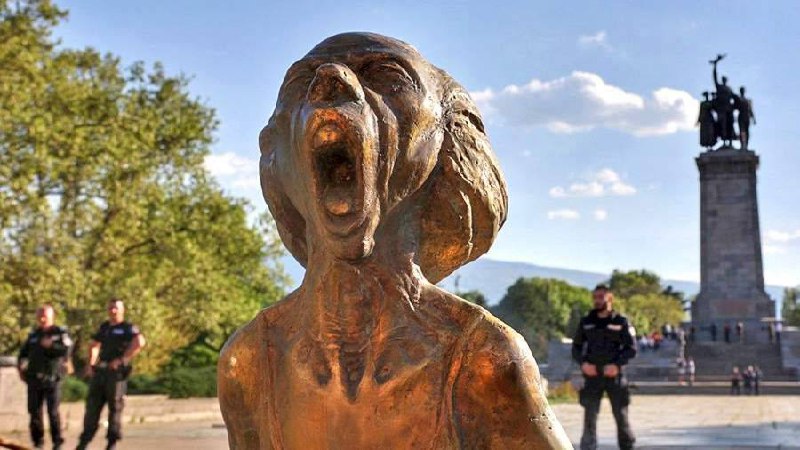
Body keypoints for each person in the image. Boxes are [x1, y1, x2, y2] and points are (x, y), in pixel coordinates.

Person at [572, 284, 637, 450]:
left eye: (601, 297)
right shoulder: (586, 322)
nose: (597, 300)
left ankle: (627, 446)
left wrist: (617, 365)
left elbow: (631, 349)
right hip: (592, 375)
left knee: (621, 416)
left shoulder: (621, 321)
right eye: (595, 297)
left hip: (614, 376)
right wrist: (584, 364)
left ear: (610, 298)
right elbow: (576, 348)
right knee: (590, 417)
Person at [76, 299, 146, 450]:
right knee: (92, 406)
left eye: (116, 308)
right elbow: (94, 345)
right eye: (110, 308)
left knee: (114, 407)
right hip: (101, 371)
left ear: (122, 310)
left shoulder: (127, 328)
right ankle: (84, 441)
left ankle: (111, 442)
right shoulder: (105, 327)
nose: (113, 311)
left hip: (116, 373)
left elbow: (139, 342)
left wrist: (122, 359)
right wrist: (91, 364)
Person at [17, 304, 72, 450]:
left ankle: (57, 442)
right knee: (34, 412)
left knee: (53, 412)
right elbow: (23, 353)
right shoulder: (34, 334)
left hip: (53, 378)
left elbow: (66, 350)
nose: (42, 319)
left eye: (45, 316)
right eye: (40, 316)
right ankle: (38, 442)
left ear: (52, 317)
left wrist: (51, 346)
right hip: (34, 379)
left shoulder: (60, 332)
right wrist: (21, 367)